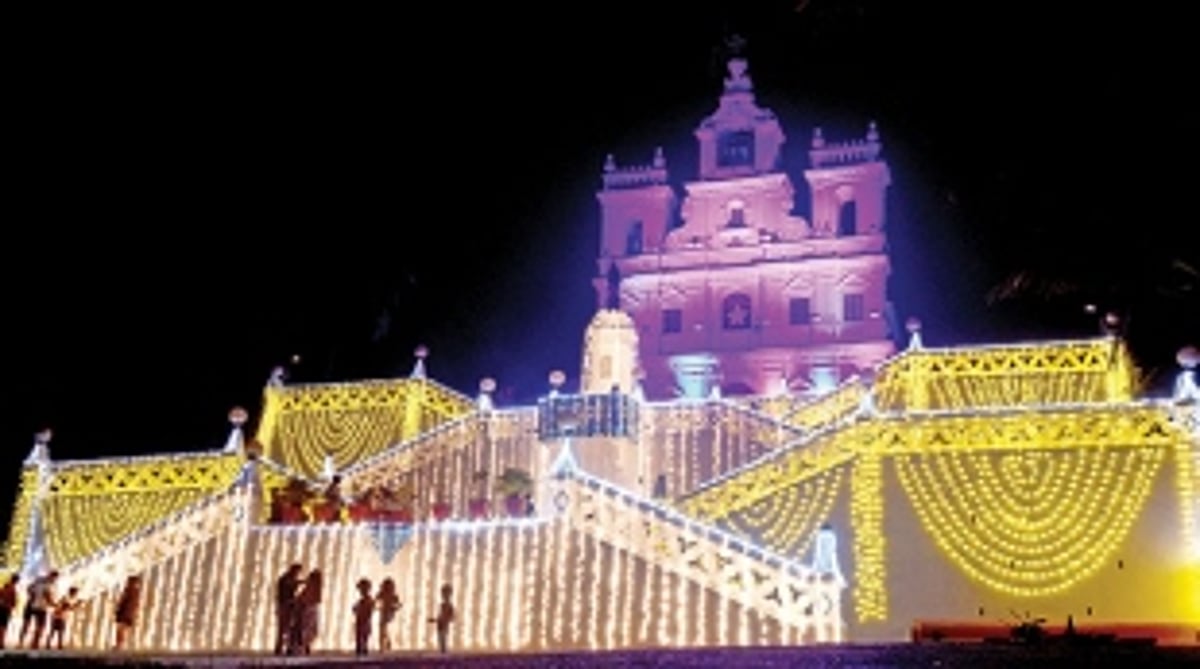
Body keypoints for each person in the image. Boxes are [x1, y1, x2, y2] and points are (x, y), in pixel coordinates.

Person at [20, 570, 58, 649]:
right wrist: (55, 605)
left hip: (31, 604)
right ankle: (34, 643)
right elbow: (47, 597)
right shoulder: (48, 585)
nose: (54, 580)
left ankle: (21, 643)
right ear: (53, 577)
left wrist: (32, 596)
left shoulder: (38, 580)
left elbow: (28, 588)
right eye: (54, 578)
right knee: (40, 626)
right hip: (40, 607)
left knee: (26, 624)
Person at [274, 564, 302, 655]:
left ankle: (282, 647)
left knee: (285, 627)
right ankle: (281, 648)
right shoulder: (285, 579)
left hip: (286, 606)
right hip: (285, 606)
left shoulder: (286, 578)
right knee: (284, 627)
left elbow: (294, 583)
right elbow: (287, 589)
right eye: (298, 571)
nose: (298, 574)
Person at [294, 568, 322, 655]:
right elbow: (317, 599)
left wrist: (298, 601)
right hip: (312, 609)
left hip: (307, 609)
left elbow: (304, 598)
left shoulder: (311, 587)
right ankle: (305, 647)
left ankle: (303, 647)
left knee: (305, 628)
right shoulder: (317, 587)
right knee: (309, 629)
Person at [113, 575, 142, 650]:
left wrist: (118, 608)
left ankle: (119, 645)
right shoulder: (136, 592)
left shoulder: (129, 590)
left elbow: (122, 600)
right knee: (122, 629)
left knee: (121, 629)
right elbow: (136, 604)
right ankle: (120, 644)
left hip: (125, 612)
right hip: (128, 613)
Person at [47, 586, 80, 650]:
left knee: (60, 631)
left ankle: (59, 644)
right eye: (75, 593)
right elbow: (67, 607)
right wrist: (77, 605)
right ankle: (50, 644)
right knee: (54, 631)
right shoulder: (66, 598)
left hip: (62, 617)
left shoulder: (70, 599)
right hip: (58, 616)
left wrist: (76, 605)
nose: (76, 594)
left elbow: (70, 608)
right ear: (72, 592)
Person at [427, 583, 455, 654]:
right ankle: (443, 650)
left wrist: (446, 618)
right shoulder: (443, 605)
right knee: (441, 637)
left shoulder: (448, 605)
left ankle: (443, 650)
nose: (443, 595)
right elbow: (441, 615)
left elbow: (450, 616)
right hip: (441, 624)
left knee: (443, 637)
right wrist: (435, 620)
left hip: (443, 624)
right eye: (443, 593)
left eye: (446, 593)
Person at [376, 578, 401, 652]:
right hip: (385, 612)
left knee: (384, 628)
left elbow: (399, 604)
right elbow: (376, 600)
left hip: (388, 613)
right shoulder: (384, 594)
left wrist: (394, 608)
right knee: (383, 628)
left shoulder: (392, 595)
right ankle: (385, 644)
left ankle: (384, 644)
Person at [352, 578, 374, 656]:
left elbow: (370, 610)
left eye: (361, 589)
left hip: (364, 621)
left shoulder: (368, 600)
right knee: (360, 636)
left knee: (363, 636)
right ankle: (361, 649)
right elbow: (355, 608)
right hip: (361, 620)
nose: (360, 592)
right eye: (360, 590)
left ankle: (362, 650)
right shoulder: (363, 600)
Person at [0, 573, 19, 650]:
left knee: (1, 625)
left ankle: (1, 642)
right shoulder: (13, 589)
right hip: (6, 609)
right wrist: (12, 607)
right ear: (17, 581)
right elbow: (13, 602)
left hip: (1, 607)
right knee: (3, 626)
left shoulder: (5, 586)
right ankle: (1, 642)